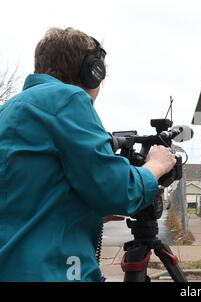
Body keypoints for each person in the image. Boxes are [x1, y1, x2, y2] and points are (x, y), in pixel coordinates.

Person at [0, 27, 176, 281]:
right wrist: (156, 166)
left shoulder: (12, 110)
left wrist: (91, 213)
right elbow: (119, 191)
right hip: (52, 272)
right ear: (93, 72)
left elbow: (29, 200)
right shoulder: (67, 99)